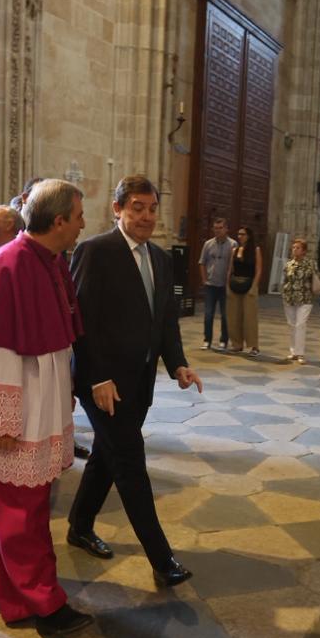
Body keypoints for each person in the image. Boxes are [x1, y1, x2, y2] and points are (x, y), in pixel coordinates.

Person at [0, 179, 91, 636]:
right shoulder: (9, 264)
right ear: (58, 221)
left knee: (11, 505)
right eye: (78, 215)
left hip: (40, 401)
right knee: (20, 512)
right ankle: (44, 604)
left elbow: (52, 339)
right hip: (15, 412)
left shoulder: (48, 262)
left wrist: (62, 388)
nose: (82, 224)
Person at [67, 175, 204, 586]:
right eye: (136, 208)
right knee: (130, 463)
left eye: (150, 208)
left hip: (139, 380)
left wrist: (177, 363)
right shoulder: (96, 251)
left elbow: (165, 319)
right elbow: (81, 322)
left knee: (108, 455)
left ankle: (79, 525)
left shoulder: (160, 258)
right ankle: (162, 560)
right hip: (103, 384)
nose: (145, 216)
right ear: (117, 209)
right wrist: (96, 378)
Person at [226, 225, 263, 356]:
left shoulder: (255, 250)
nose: (240, 236)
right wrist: (228, 285)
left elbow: (258, 269)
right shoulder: (234, 250)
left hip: (249, 285)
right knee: (234, 316)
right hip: (235, 284)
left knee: (249, 317)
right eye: (239, 234)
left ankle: (254, 346)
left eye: (243, 234)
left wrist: (254, 286)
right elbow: (231, 269)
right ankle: (237, 344)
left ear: (249, 236)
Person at [198, 217, 234, 350]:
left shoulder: (233, 245)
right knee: (208, 314)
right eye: (215, 228)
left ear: (226, 229)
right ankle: (207, 340)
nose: (217, 231)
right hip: (211, 285)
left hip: (225, 285)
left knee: (225, 315)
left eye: (220, 228)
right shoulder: (208, 244)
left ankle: (224, 340)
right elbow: (202, 262)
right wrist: (204, 279)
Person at [280, 237, 315, 364]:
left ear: (304, 251)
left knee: (300, 324)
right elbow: (285, 279)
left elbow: (310, 277)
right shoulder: (289, 264)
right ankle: (293, 351)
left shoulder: (309, 263)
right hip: (290, 297)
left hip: (305, 297)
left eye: (298, 248)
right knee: (291, 324)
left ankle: (300, 353)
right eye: (293, 247)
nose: (295, 250)